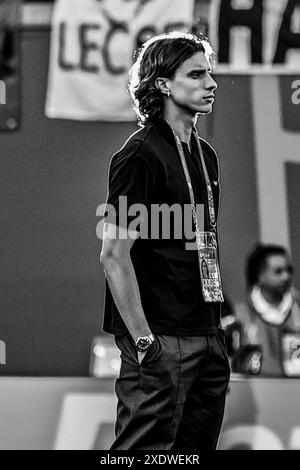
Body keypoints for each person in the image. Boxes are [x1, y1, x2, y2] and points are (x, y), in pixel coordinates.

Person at [100, 31, 230, 451]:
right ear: (162, 84)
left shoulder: (205, 153)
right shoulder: (140, 155)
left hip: (207, 334)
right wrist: (144, 343)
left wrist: (217, 334)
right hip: (160, 339)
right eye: (196, 74)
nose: (210, 84)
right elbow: (114, 256)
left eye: (210, 73)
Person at [234, 244, 300, 376]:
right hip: (259, 393)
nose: (286, 277)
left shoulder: (297, 306)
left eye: (289, 270)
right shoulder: (242, 314)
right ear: (260, 275)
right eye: (278, 271)